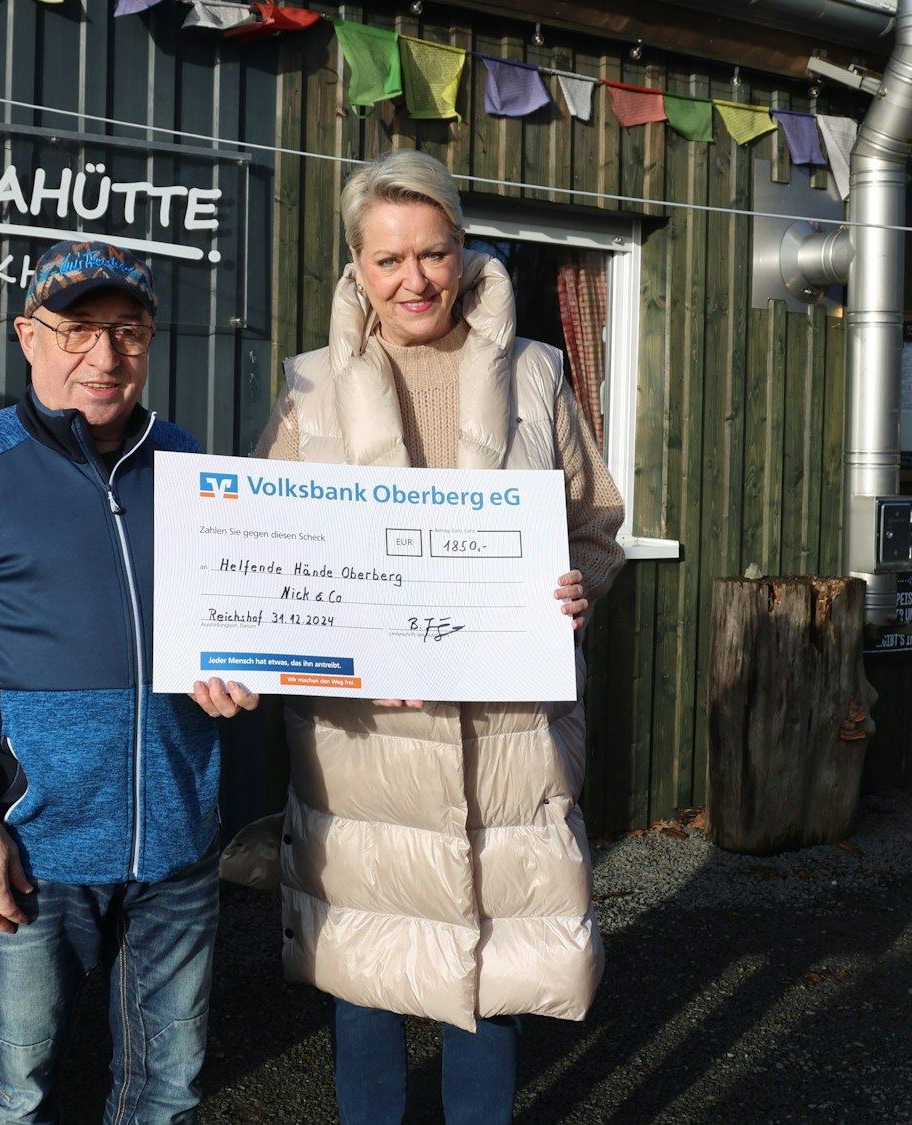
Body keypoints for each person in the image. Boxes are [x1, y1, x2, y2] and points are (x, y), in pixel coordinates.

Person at [226, 148, 626, 1124]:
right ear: (355, 269)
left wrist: (575, 591)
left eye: (433, 254)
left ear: (462, 252)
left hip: (504, 738)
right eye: (387, 260)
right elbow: (264, 552)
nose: (414, 280)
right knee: (365, 978)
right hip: (363, 748)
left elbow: (595, 528)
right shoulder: (310, 389)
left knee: (493, 989)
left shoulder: (534, 375)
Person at [0, 238, 255, 1125]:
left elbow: (230, 621)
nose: (105, 356)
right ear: (27, 336)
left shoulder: (190, 466)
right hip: (30, 849)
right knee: (19, 1096)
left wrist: (236, 663)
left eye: (128, 331)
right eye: (77, 330)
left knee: (167, 1093)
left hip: (179, 849)